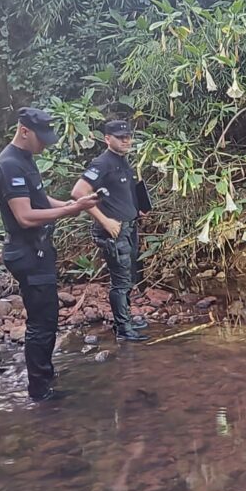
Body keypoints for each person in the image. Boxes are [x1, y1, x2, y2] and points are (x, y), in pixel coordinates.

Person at [0, 107, 100, 400]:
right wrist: (69, 210)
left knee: (48, 317)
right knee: (42, 322)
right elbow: (25, 216)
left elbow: (39, 199)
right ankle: (39, 391)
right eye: (41, 139)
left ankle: (46, 374)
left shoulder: (26, 160)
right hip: (27, 252)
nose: (44, 145)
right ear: (24, 131)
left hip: (39, 249)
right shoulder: (9, 165)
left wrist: (69, 203)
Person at [71, 120, 149, 342]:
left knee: (130, 275)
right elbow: (79, 193)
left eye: (128, 136)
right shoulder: (102, 163)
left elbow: (123, 191)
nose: (126, 140)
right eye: (120, 137)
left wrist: (138, 209)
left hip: (129, 226)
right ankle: (123, 329)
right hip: (114, 230)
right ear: (107, 139)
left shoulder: (123, 161)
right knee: (121, 280)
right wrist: (105, 221)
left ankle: (126, 318)